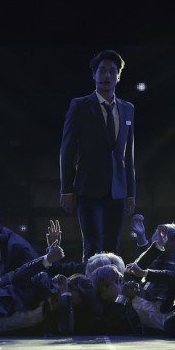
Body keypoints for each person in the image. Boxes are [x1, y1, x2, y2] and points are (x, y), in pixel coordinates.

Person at [60, 49, 136, 261]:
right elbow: (67, 150)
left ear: (118, 76)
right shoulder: (80, 105)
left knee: (113, 247)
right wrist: (66, 189)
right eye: (102, 70)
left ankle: (111, 282)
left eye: (112, 71)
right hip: (88, 188)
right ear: (94, 75)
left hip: (118, 190)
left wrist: (131, 192)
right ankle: (89, 282)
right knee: (92, 246)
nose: (107, 75)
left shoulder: (128, 109)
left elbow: (128, 155)